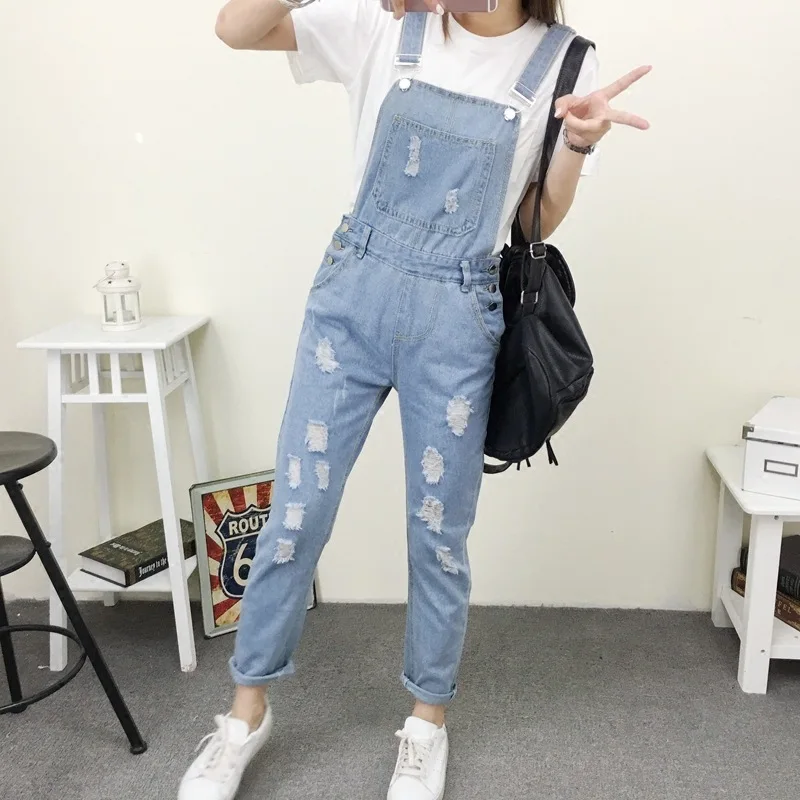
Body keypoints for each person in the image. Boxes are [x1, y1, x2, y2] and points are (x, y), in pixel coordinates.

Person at [180, 0, 649, 798]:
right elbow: (235, 28)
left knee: (439, 533)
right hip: (350, 300)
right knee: (296, 514)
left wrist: (576, 141)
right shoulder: (383, 23)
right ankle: (244, 716)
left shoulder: (566, 63)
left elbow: (534, 218)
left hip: (458, 319)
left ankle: (427, 722)